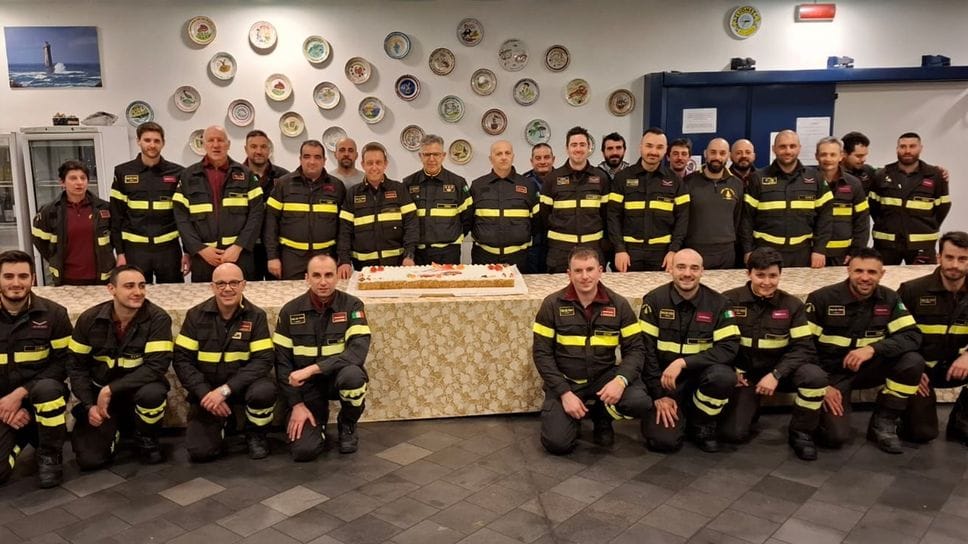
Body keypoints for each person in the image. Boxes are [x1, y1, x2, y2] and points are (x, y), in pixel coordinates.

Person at [531, 246, 652, 453]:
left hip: (604, 378)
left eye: (590, 269)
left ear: (600, 271)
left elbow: (636, 349)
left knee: (639, 402)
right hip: (566, 380)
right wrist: (564, 392)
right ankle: (571, 417)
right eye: (578, 271)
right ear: (568, 274)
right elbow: (542, 354)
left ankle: (602, 417)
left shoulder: (619, 305)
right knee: (557, 444)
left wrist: (620, 381)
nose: (584, 276)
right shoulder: (551, 304)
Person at [806, 248, 923, 453]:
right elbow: (804, 346)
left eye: (872, 272)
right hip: (832, 375)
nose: (865, 278)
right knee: (835, 437)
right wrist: (821, 384)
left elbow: (911, 336)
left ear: (882, 274)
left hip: (869, 369)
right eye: (859, 271)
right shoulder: (821, 299)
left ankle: (884, 422)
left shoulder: (890, 298)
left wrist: (873, 348)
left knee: (912, 361)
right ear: (848, 270)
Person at [720, 248, 827, 460]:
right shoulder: (728, 301)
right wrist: (733, 369)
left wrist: (776, 374)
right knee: (733, 434)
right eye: (760, 275)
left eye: (773, 276)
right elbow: (721, 342)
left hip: (782, 374)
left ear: (780, 275)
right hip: (745, 376)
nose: (766, 282)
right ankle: (751, 407)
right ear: (748, 273)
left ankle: (802, 433)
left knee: (815, 376)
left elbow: (803, 347)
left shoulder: (793, 305)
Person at [67, 265, 173, 468]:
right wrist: (89, 405)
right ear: (111, 289)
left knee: (153, 393)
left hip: (139, 391)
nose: (138, 292)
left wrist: (110, 389)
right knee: (90, 461)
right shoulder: (89, 320)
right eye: (129, 286)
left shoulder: (158, 319)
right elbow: (76, 367)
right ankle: (112, 429)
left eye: (142, 286)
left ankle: (147, 438)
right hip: (100, 399)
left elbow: (156, 367)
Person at [173, 263, 276, 461]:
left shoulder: (256, 316)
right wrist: (205, 393)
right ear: (212, 287)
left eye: (233, 283)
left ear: (243, 285)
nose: (227, 288)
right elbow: (182, 360)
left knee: (265, 390)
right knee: (200, 452)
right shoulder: (195, 316)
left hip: (242, 388)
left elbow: (263, 361)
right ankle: (222, 422)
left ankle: (255, 434)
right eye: (220, 283)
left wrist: (225, 390)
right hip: (207, 392)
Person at [640, 249, 740, 453]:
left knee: (723, 377)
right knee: (663, 442)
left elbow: (728, 348)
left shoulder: (719, 304)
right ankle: (679, 419)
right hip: (664, 383)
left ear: (702, 271)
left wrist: (683, 362)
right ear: (670, 270)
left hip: (700, 380)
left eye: (694, 268)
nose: (687, 273)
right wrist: (658, 394)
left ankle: (701, 423)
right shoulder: (654, 301)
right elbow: (645, 350)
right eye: (681, 267)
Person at [274, 254, 371, 459]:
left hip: (337, 378)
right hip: (306, 389)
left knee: (354, 377)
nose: (323, 281)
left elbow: (356, 353)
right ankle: (318, 422)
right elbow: (282, 363)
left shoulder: (353, 306)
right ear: (307, 278)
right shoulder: (290, 311)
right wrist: (297, 405)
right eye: (316, 275)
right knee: (304, 451)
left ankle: (348, 425)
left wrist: (313, 368)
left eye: (329, 275)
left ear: (338, 277)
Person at [0, 250, 72, 488]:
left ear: (33, 279)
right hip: (1, 404)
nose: (16, 283)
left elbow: (63, 362)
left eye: (23, 276)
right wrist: (4, 407)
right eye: (8, 276)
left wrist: (19, 394)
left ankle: (50, 454)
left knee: (50, 390)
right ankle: (22, 435)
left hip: (39, 395)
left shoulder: (55, 314)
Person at [897, 232, 968, 445]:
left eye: (962, 259)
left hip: (957, 365)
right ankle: (898, 416)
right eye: (949, 257)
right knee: (922, 433)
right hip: (920, 370)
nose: (955, 265)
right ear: (939, 257)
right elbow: (894, 335)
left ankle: (962, 420)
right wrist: (910, 369)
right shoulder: (912, 290)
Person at [173, 126, 265, 282]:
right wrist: (199, 249)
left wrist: (238, 247)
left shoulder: (245, 175)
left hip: (239, 256)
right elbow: (181, 218)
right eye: (211, 140)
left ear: (228, 144)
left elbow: (256, 214)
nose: (216, 145)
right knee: (204, 303)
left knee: (242, 301)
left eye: (220, 140)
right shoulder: (188, 176)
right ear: (204, 144)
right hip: (204, 259)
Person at [740, 130, 833, 268]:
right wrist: (748, 250)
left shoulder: (815, 178)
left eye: (792, 146)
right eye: (782, 146)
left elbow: (825, 217)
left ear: (799, 148)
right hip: (765, 253)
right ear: (774, 149)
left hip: (803, 254)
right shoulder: (757, 178)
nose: (788, 151)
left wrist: (819, 249)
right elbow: (746, 219)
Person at [110, 121, 188, 283]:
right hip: (135, 251)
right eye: (147, 140)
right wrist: (120, 253)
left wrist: (187, 252)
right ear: (138, 141)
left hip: (168, 250)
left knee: (171, 297)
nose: (152, 145)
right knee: (134, 299)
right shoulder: (123, 172)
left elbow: (184, 216)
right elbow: (117, 216)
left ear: (163, 143)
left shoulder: (178, 172)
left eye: (156, 141)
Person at [607, 127, 689, 272]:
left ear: (666, 151)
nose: (653, 152)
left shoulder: (676, 181)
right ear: (640, 147)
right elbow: (613, 216)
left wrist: (674, 250)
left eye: (659, 147)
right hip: (628, 254)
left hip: (663, 255)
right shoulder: (622, 178)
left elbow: (683, 219)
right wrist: (619, 249)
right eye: (649, 146)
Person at [264, 140, 345, 280]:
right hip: (291, 258)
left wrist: (343, 259)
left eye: (317, 157)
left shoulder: (337, 187)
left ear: (324, 160)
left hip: (326, 256)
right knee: (291, 298)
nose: (312, 162)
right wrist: (272, 257)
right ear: (300, 159)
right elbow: (270, 222)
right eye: (307, 157)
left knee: (325, 298)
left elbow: (344, 228)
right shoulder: (283, 184)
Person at [337, 142, 417, 279]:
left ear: (385, 164)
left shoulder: (399, 190)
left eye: (378, 163)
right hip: (363, 269)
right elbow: (345, 231)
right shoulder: (353, 194)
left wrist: (409, 255)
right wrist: (344, 261)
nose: (374, 167)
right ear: (362, 165)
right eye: (370, 163)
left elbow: (411, 225)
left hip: (397, 267)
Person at [869, 132, 951, 265]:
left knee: (923, 283)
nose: (907, 151)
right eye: (903, 146)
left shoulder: (935, 175)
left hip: (922, 243)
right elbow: (873, 207)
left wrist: (929, 226)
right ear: (897, 149)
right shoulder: (882, 175)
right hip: (886, 243)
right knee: (882, 281)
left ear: (920, 148)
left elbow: (943, 207)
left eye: (912, 146)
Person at [32, 160, 115, 285]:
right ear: (62, 182)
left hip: (101, 279)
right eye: (73, 178)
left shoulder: (104, 208)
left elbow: (116, 237)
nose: (79, 182)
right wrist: (55, 258)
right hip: (66, 280)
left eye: (83, 178)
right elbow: (39, 240)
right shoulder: (49, 211)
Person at [540, 127, 610, 273]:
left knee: (592, 295)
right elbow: (543, 218)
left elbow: (607, 216)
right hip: (560, 254)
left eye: (582, 144)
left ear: (589, 147)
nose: (578, 149)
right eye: (574, 145)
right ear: (567, 149)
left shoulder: (601, 178)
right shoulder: (552, 179)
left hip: (592, 252)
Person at [403, 135, 472, 265]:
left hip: (449, 253)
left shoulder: (458, 183)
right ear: (420, 156)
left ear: (443, 155)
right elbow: (406, 220)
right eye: (427, 154)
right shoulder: (408, 183)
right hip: (419, 254)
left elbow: (468, 217)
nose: (432, 159)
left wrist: (457, 236)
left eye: (436, 154)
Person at [469, 140, 539, 270]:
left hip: (519, 258)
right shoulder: (477, 186)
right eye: (498, 154)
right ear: (491, 158)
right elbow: (467, 220)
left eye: (507, 153)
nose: (503, 157)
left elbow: (537, 222)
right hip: (484, 257)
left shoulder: (528, 185)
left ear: (513, 156)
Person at [682, 138, 743, 269]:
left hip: (726, 252)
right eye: (713, 152)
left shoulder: (737, 184)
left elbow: (738, 218)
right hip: (695, 249)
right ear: (705, 153)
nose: (717, 157)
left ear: (729, 156)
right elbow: (682, 218)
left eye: (722, 153)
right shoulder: (688, 182)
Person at [815, 137, 869, 266]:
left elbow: (862, 222)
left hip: (843, 256)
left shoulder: (854, 184)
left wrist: (855, 252)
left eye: (833, 154)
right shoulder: (807, 183)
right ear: (816, 156)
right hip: (813, 254)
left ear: (841, 156)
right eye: (823, 154)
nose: (828, 159)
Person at [244, 130, 290, 281]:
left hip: (277, 249)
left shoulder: (284, 177)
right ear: (246, 149)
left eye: (263, 147)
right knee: (248, 293)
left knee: (279, 293)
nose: (259, 151)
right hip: (246, 248)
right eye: (254, 146)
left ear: (269, 150)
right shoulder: (235, 176)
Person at [524, 143, 554, 273]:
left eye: (546, 157)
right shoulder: (522, 182)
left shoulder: (563, 180)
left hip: (556, 244)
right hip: (531, 245)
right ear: (531, 161)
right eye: (538, 158)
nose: (542, 161)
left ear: (553, 159)